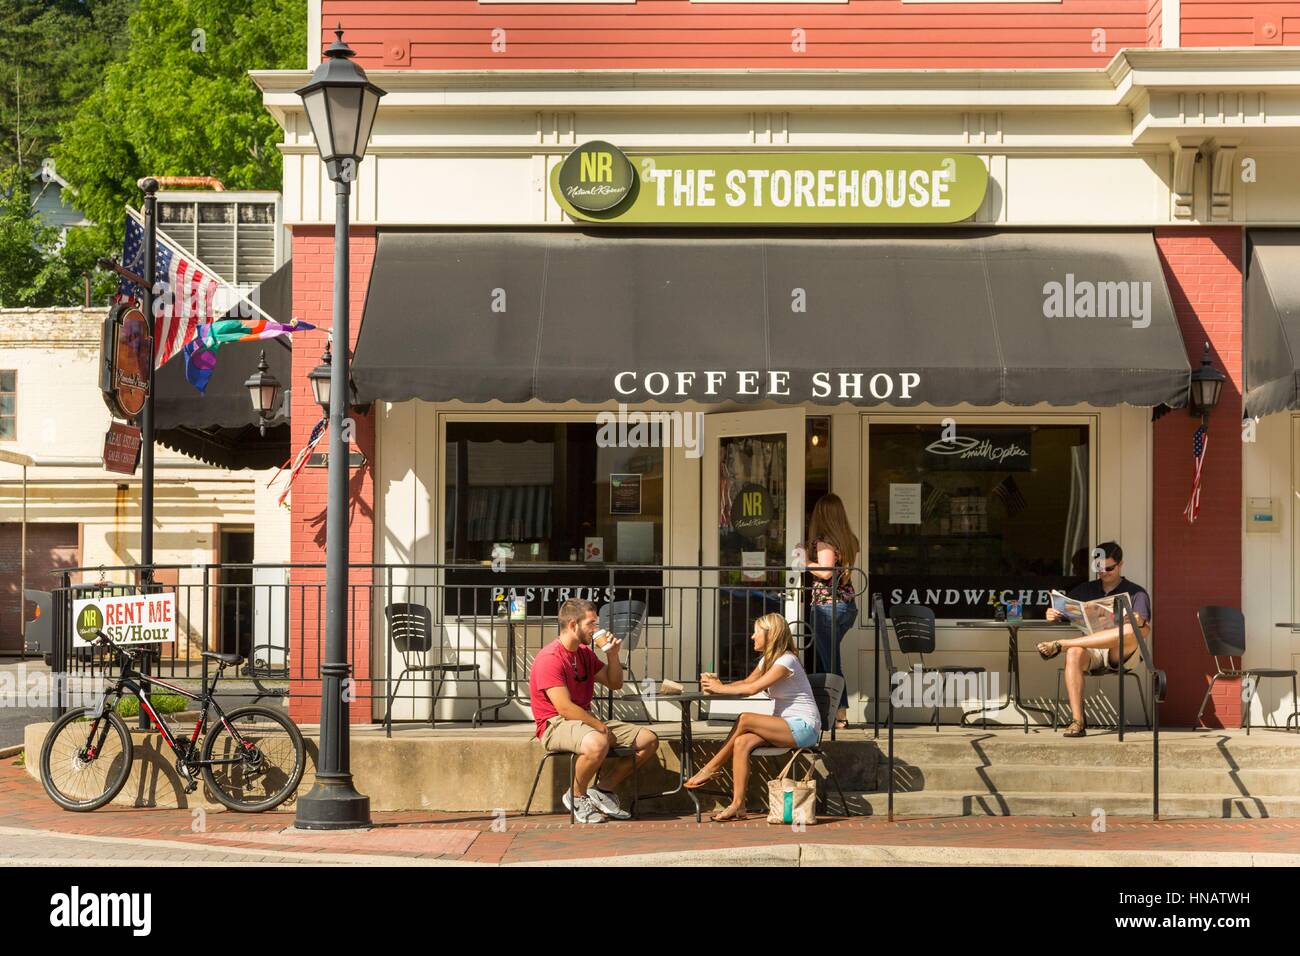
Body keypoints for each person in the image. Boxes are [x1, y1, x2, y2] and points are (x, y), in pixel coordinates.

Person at [528, 599, 660, 823]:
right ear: (572, 625)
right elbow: (564, 708)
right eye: (591, 624)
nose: (596, 629)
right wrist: (599, 726)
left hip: (584, 722)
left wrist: (612, 654)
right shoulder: (550, 659)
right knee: (598, 742)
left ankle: (602, 789)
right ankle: (576, 795)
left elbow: (615, 683)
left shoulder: (584, 654)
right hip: (555, 724)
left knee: (648, 740)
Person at [684, 613, 821, 822]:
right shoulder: (769, 660)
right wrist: (718, 687)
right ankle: (738, 805)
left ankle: (711, 768)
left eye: (756, 632)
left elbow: (753, 689)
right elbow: (747, 682)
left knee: (745, 718)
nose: (752, 637)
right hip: (784, 726)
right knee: (741, 742)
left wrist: (720, 689)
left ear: (771, 634)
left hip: (804, 727)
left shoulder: (787, 660)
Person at [1036, 541, 1152, 737]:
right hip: (1093, 649)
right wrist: (1052, 614)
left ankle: (1063, 644)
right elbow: (1063, 611)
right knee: (1073, 653)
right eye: (1100, 568)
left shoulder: (1136, 592)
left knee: (1133, 630)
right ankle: (1077, 721)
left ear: (1121, 564)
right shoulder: (1085, 590)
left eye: (1109, 568)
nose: (1104, 572)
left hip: (1121, 652)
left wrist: (1138, 620)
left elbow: (1145, 630)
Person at [806, 492, 860, 728]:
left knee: (830, 662)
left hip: (827, 606)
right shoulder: (848, 539)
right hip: (846, 606)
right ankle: (825, 710)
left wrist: (803, 561)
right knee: (828, 658)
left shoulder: (825, 539)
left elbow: (826, 571)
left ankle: (840, 715)